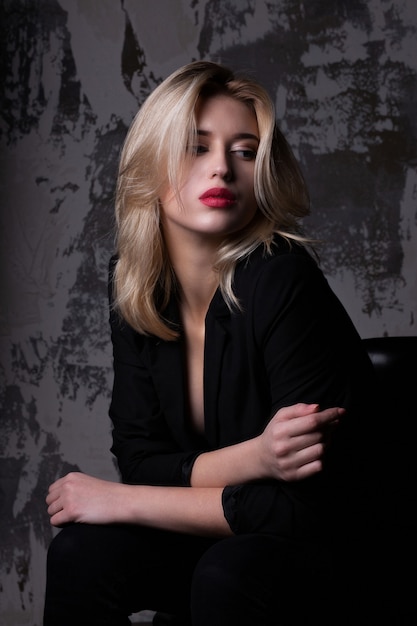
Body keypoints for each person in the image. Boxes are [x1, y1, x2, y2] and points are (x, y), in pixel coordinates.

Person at [43, 61, 374, 626]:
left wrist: (119, 501)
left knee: (228, 570)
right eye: (196, 147)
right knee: (81, 553)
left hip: (331, 550)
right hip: (221, 537)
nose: (222, 167)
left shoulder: (282, 279)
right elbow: (143, 461)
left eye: (244, 152)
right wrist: (256, 458)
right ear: (152, 161)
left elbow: (301, 508)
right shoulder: (137, 285)